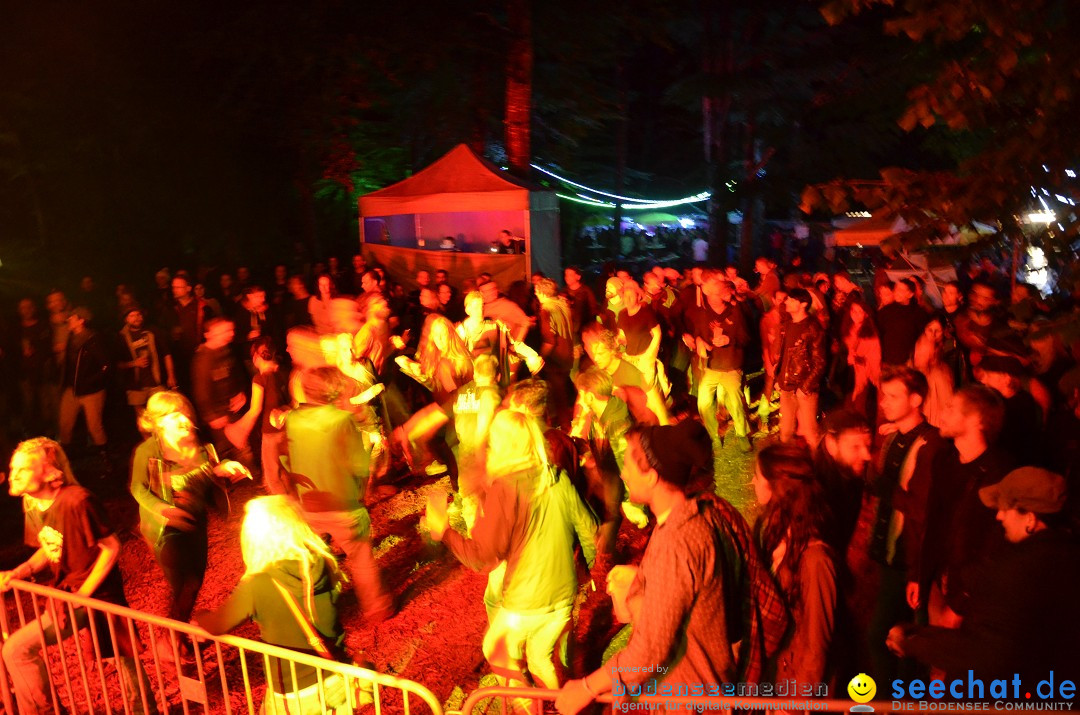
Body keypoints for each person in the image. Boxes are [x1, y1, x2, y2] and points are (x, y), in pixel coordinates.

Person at [554, 421, 788, 715]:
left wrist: (586, 687)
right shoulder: (696, 516)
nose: (623, 472)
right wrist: (642, 578)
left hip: (690, 700)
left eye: (627, 463)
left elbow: (649, 652)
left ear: (652, 476)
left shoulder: (676, 542)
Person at [427, 410, 597, 690]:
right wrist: (589, 577)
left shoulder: (506, 489)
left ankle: (528, 708)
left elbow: (482, 557)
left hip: (527, 600)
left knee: (498, 652)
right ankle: (558, 707)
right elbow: (591, 530)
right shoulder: (557, 477)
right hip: (564, 595)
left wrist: (444, 531)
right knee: (540, 659)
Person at [1, 438, 157, 715]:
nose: (14, 475)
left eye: (23, 469)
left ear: (49, 472)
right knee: (120, 653)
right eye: (14, 468)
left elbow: (111, 547)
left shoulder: (77, 501)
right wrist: (19, 572)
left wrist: (84, 594)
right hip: (68, 592)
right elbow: (48, 548)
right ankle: (143, 708)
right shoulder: (32, 504)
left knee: (18, 650)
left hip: (93, 593)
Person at [887, 467, 1080, 682]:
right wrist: (920, 634)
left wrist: (913, 642)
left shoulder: (1015, 571)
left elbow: (984, 653)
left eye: (1007, 508)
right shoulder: (1069, 559)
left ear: (1030, 518)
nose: (999, 516)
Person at [194, 496, 358, 714]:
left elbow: (217, 625)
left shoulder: (259, 582)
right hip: (334, 676)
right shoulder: (322, 562)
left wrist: (199, 617)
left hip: (295, 692)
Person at [129, 392, 251, 645]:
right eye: (174, 416)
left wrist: (225, 468)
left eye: (184, 412)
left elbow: (207, 476)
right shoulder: (148, 452)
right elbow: (138, 489)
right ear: (159, 422)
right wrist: (164, 511)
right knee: (182, 585)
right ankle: (173, 640)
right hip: (165, 529)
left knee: (194, 581)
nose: (183, 419)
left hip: (195, 521)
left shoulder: (200, 445)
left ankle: (177, 632)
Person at [281, 366, 393, 624]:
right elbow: (358, 465)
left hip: (309, 505)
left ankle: (311, 614)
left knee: (312, 562)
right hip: (343, 505)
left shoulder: (293, 419)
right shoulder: (341, 421)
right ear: (333, 390)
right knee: (361, 557)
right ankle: (377, 608)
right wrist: (368, 444)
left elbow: (289, 458)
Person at [865, 366, 943, 685]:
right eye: (884, 395)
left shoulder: (931, 445)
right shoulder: (893, 438)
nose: (884, 402)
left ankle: (890, 698)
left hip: (908, 558)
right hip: (889, 552)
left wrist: (883, 486)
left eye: (893, 396)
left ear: (916, 399)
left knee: (886, 637)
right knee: (895, 635)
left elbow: (921, 508)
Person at [914, 385, 1011, 631]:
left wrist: (960, 604)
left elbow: (994, 547)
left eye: (951, 408)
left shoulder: (999, 474)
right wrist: (920, 575)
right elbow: (934, 521)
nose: (942, 414)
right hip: (939, 579)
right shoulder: (944, 460)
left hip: (971, 596)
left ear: (977, 420)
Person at [752, 443, 837, 686]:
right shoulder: (770, 533)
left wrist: (793, 705)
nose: (752, 482)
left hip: (792, 684)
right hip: (773, 669)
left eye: (757, 477)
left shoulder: (816, 561)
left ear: (775, 488)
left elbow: (815, 647)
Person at [686, 273, 752, 452]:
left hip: (731, 366)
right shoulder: (703, 313)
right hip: (711, 367)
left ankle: (741, 434)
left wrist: (729, 340)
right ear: (711, 296)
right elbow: (698, 333)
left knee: (736, 403)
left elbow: (746, 338)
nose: (726, 294)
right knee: (704, 404)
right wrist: (699, 341)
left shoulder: (736, 311)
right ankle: (714, 436)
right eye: (721, 292)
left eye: (725, 291)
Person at [816, 409, 872, 555]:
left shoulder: (850, 476)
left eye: (868, 445)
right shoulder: (815, 494)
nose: (867, 456)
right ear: (831, 444)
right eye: (855, 447)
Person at [57, 307, 110, 464]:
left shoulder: (93, 340)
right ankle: (64, 458)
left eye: (72, 318)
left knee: (95, 426)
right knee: (65, 424)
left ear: (81, 321)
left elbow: (106, 365)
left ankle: (104, 457)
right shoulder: (71, 338)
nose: (68, 321)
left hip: (91, 392)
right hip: (71, 390)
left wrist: (90, 382)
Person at [776, 288, 826, 446]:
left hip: (805, 389)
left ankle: (819, 466)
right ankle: (788, 465)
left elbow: (820, 361)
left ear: (803, 304)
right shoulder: (787, 324)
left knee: (811, 432)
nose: (786, 302)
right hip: (786, 387)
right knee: (785, 431)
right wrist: (779, 377)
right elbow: (785, 354)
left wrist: (805, 387)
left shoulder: (813, 328)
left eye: (791, 300)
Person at [117, 306, 177, 423]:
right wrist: (134, 363)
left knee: (163, 415)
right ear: (126, 319)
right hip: (135, 386)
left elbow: (167, 354)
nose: (137, 318)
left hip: (156, 383)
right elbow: (118, 364)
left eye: (138, 314)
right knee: (142, 420)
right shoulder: (121, 337)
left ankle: (163, 439)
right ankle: (149, 440)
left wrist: (171, 375)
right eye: (132, 316)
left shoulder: (152, 331)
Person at [912, 318, 954, 429]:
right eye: (918, 350)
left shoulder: (940, 376)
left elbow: (947, 407)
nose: (919, 355)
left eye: (924, 352)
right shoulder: (911, 371)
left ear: (933, 355)